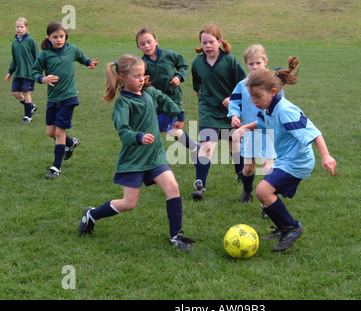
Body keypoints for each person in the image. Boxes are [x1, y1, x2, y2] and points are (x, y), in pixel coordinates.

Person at [78, 54, 195, 251]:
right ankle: (92, 214)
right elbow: (123, 131)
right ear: (123, 77)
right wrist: (139, 137)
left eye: (143, 75)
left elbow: (164, 99)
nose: (142, 79)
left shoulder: (149, 92)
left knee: (173, 187)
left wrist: (178, 112)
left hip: (155, 155)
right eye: (137, 76)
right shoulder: (123, 103)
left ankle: (176, 236)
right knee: (128, 203)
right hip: (134, 159)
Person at [232, 60, 337, 252]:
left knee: (263, 192)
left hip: (298, 161)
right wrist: (244, 128)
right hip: (285, 159)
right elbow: (261, 123)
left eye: (257, 96)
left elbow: (314, 132)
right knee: (264, 195)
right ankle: (283, 228)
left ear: (273, 92)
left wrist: (326, 156)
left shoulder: (286, 111)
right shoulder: (268, 108)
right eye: (251, 97)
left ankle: (292, 228)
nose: (254, 101)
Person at [32, 21, 98, 179]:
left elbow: (82, 58)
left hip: (69, 97)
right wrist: (43, 79)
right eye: (55, 37)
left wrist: (90, 63)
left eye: (61, 36)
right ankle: (70, 143)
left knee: (60, 132)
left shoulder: (72, 49)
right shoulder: (45, 55)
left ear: (65, 36)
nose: (59, 39)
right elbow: (34, 72)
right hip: (53, 98)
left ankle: (56, 168)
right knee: (51, 132)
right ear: (48, 37)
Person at [191, 24, 247, 200]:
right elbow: (197, 87)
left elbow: (245, 84)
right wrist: (207, 98)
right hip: (208, 110)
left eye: (211, 42)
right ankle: (200, 185)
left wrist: (232, 99)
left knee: (235, 146)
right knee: (206, 147)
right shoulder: (197, 63)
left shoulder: (230, 61)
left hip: (231, 111)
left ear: (220, 41)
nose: (208, 46)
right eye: (204, 42)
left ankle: (241, 174)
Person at [136, 27, 200, 163]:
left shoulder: (169, 55)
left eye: (149, 42)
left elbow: (183, 65)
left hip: (171, 100)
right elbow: (139, 81)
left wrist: (178, 76)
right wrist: (144, 82)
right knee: (172, 131)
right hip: (154, 102)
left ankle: (152, 161)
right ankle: (194, 147)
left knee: (156, 130)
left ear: (156, 41)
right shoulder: (141, 64)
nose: (147, 46)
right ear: (138, 47)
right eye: (142, 44)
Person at [228, 44, 277, 203]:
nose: (255, 67)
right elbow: (234, 102)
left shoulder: (273, 84)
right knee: (248, 167)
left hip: (267, 132)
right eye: (251, 64)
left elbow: (279, 106)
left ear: (265, 62)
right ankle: (247, 191)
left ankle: (268, 201)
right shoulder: (242, 85)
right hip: (248, 132)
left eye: (258, 63)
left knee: (267, 167)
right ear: (246, 64)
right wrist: (234, 115)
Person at [5, 17, 39, 123]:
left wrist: (37, 70)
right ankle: (31, 107)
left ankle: (28, 117)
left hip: (28, 72)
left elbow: (37, 56)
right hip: (18, 72)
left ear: (26, 28)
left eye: (21, 27)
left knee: (26, 92)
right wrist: (10, 72)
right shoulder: (14, 43)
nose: (19, 29)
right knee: (14, 92)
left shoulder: (30, 41)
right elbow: (14, 59)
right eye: (17, 27)